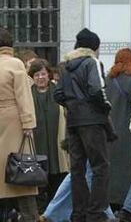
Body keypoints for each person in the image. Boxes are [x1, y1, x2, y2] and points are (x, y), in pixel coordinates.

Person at [54, 28, 112, 222]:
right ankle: (96, 212)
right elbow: (97, 90)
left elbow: (58, 94)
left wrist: (73, 105)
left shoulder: (66, 66)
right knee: (100, 167)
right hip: (93, 121)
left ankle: (78, 213)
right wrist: (105, 107)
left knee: (77, 169)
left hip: (73, 121)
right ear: (94, 46)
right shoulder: (92, 62)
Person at [0, 28, 39, 221]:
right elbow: (24, 97)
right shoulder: (15, 64)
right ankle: (30, 217)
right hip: (13, 121)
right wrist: (28, 124)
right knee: (22, 174)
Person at [28, 59, 69, 211]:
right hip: (36, 143)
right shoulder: (27, 94)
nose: (40, 77)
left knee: (57, 178)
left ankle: (53, 212)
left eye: (43, 74)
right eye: (37, 74)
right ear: (32, 76)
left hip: (57, 143)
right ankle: (39, 211)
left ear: (49, 74)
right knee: (37, 179)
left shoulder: (59, 91)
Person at [105, 48, 131, 208]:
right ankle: (126, 205)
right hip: (127, 131)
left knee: (112, 169)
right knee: (127, 170)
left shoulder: (108, 79)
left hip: (109, 131)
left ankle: (111, 202)